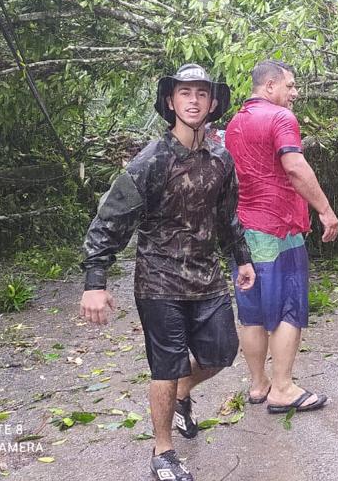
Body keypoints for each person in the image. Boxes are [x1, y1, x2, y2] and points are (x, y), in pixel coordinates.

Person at [79, 63, 255, 481]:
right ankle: (163, 452)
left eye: (201, 93)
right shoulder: (151, 160)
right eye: (184, 93)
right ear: (171, 101)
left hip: (207, 277)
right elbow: (110, 219)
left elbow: (227, 215)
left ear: (213, 103)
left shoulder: (221, 158)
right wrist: (94, 283)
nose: (193, 100)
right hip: (158, 280)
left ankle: (180, 396)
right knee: (166, 365)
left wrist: (242, 257)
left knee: (220, 354)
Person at [225, 59, 338, 414]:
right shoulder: (280, 118)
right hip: (279, 230)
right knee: (289, 308)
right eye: (290, 86)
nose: (295, 93)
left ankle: (259, 385)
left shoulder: (234, 123)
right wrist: (324, 209)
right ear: (270, 85)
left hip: (243, 233)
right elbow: (294, 166)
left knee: (252, 314)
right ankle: (284, 388)